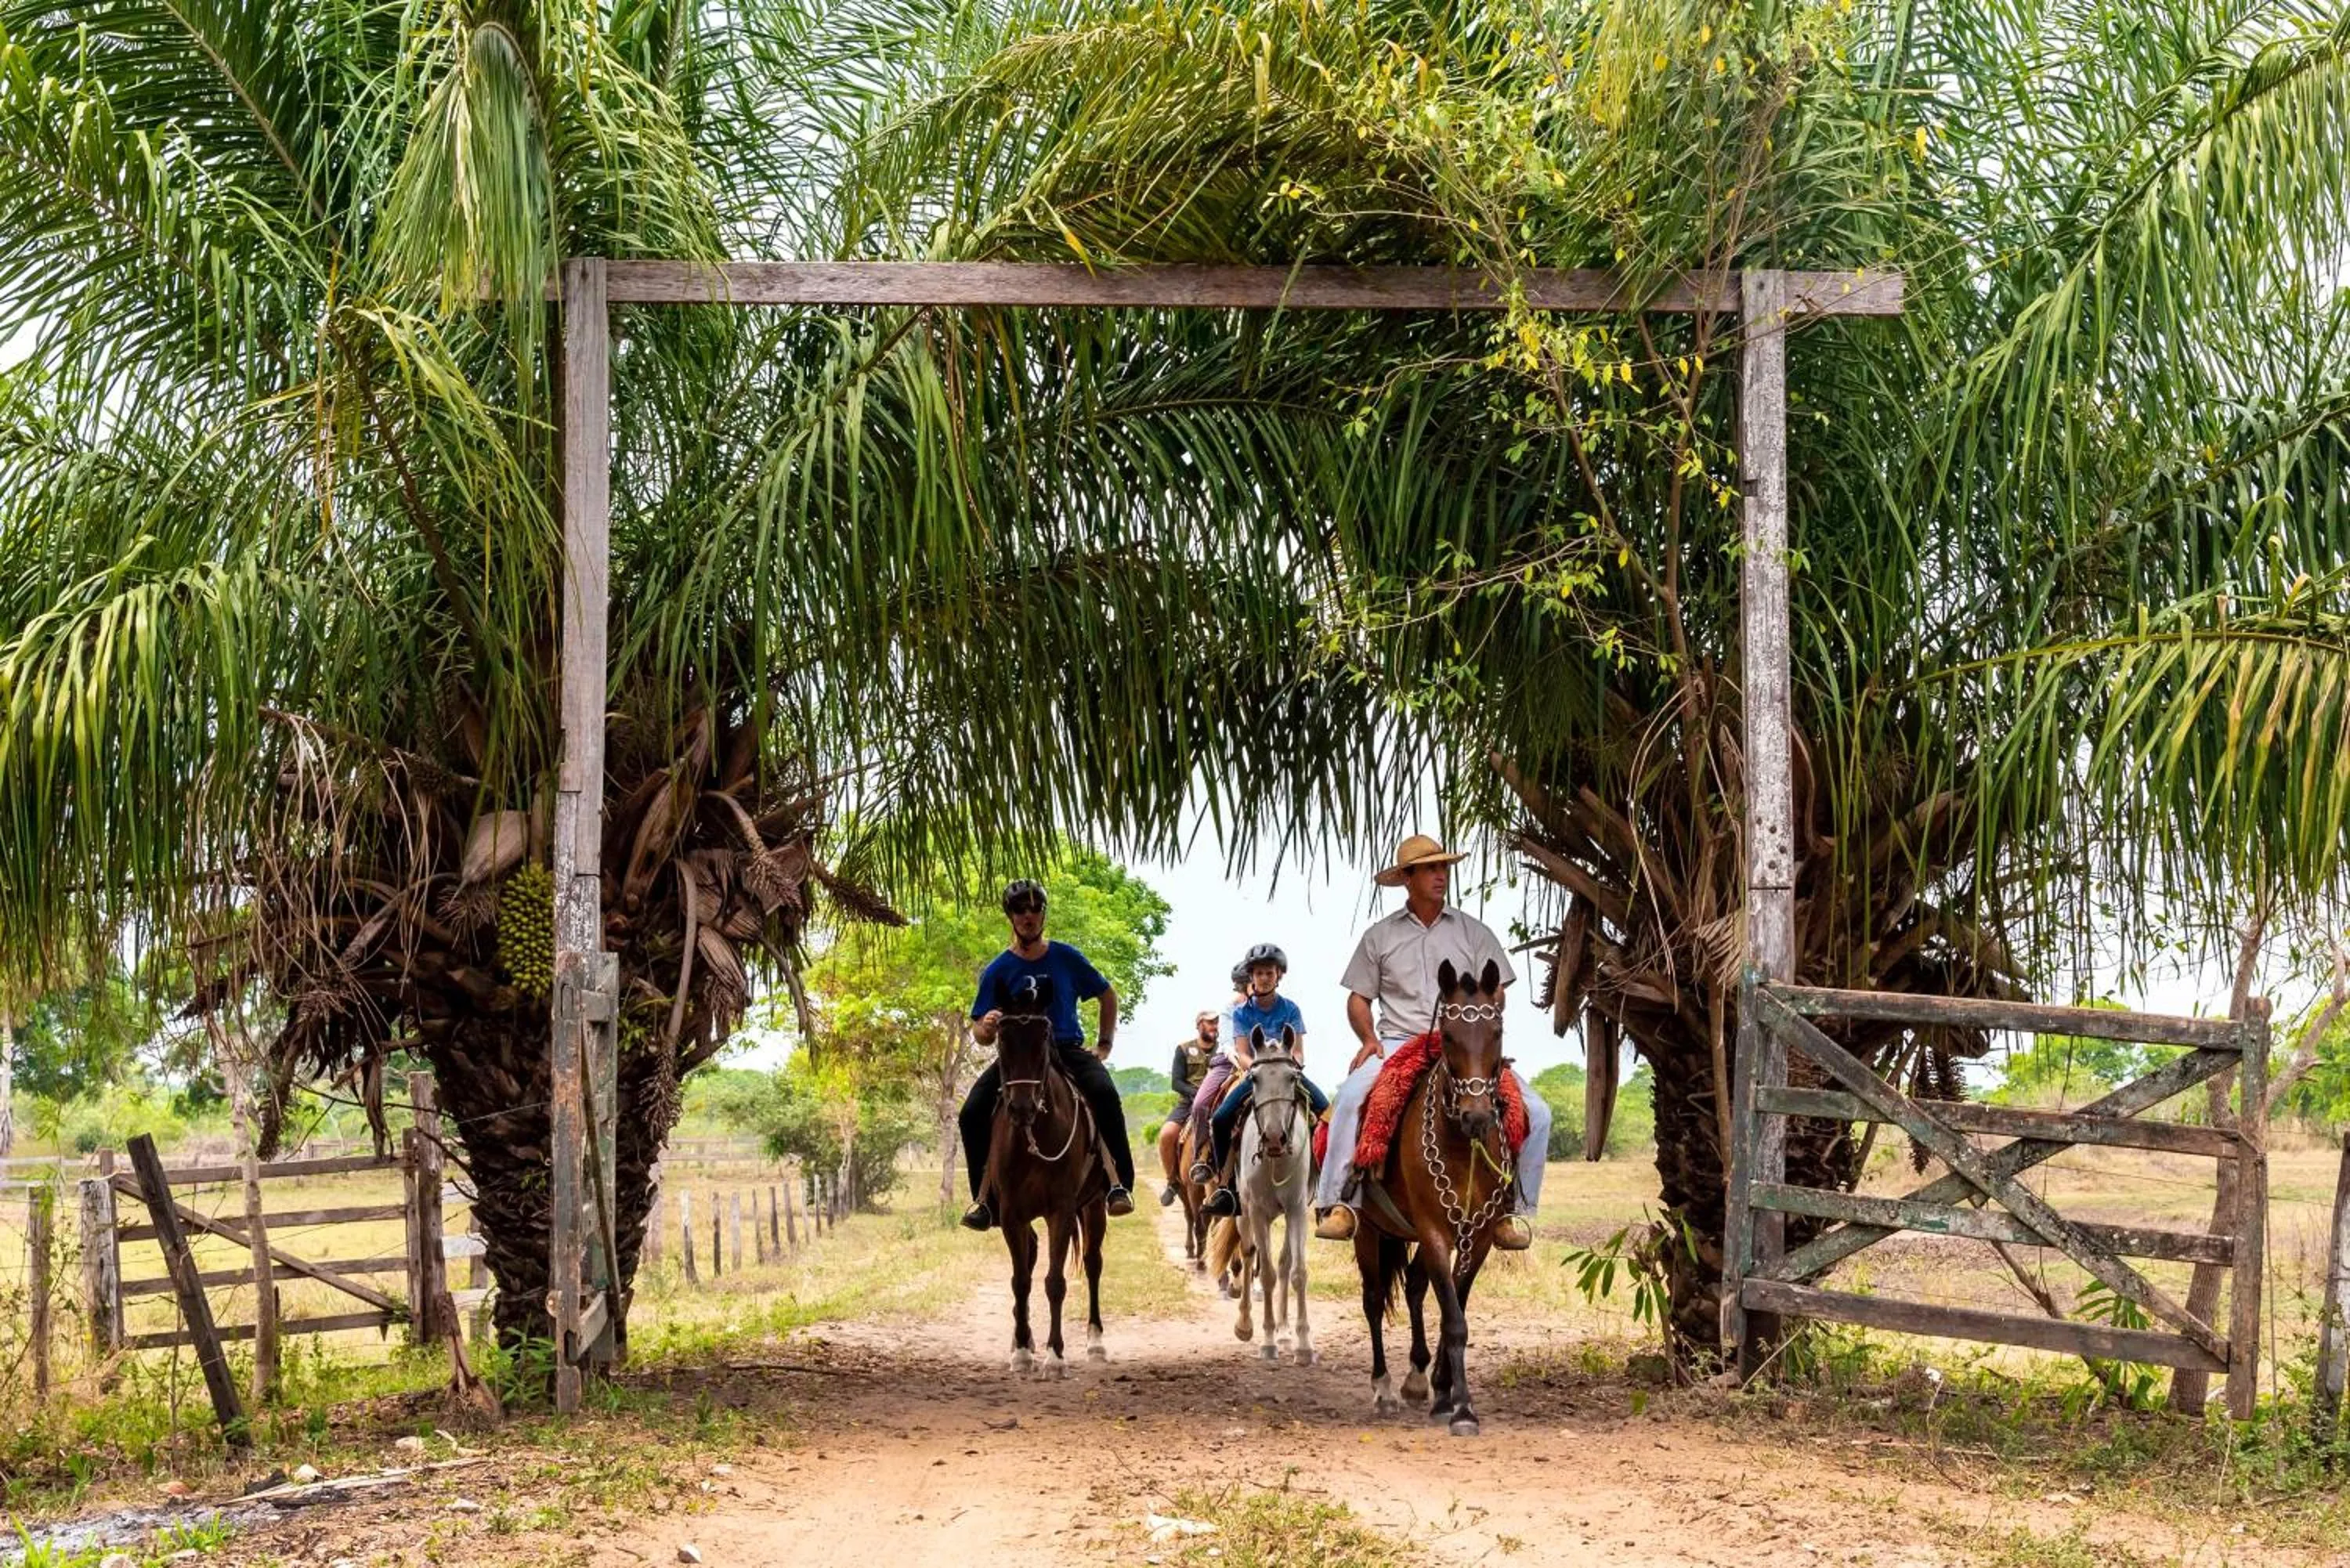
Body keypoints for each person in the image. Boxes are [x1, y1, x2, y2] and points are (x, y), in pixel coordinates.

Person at [1312, 835, 1549, 1250]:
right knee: (1350, 1098)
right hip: (1398, 1039)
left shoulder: (1474, 933)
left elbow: (1499, 992)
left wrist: (1480, 1021)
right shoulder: (1379, 936)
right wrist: (1368, 1038)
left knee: (1538, 1112)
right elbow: (1358, 998)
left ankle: (1513, 1209)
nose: (1441, 875)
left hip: (1462, 1046)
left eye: (1444, 868)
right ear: (1408, 877)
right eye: (1430, 869)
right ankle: (1340, 1203)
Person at [956, 878, 1136, 1230]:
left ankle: (1119, 1185)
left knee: (1104, 1093)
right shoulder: (997, 970)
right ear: (1010, 916)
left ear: (1043, 914)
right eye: (1021, 909)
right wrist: (987, 1028)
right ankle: (984, 1200)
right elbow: (979, 1032)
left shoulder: (1066, 957)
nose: (1029, 915)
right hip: (1019, 1058)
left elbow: (1107, 995)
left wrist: (1104, 1045)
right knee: (971, 1112)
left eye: (1036, 907)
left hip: (1066, 1049)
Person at [1199, 944, 1329, 1218]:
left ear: (1279, 974)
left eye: (1269, 972)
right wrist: (1260, 1069)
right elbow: (1243, 1053)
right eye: (1259, 973)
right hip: (1256, 1074)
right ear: (1252, 977)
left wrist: (1288, 1065)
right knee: (1221, 1119)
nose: (1264, 978)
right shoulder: (1241, 1013)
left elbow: (1298, 1051)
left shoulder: (1291, 1009)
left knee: (1328, 1113)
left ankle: (1329, 1192)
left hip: (1287, 1072)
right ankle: (1226, 1188)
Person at [1183, 959, 1254, 1173]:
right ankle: (1203, 1157)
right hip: (1229, 1063)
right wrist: (1240, 1063)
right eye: (1250, 984)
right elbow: (1227, 1045)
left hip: (1264, 1063)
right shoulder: (1230, 1009)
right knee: (1200, 1105)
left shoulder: (1270, 1006)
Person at [1159, 1010, 1223, 1205]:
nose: (1214, 1026)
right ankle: (1172, 1181)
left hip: (1219, 1103)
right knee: (1167, 1134)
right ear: (1199, 1025)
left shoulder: (1224, 1049)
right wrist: (1197, 1094)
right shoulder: (1184, 1049)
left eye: (1216, 1022)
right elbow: (1176, 1082)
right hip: (1188, 1103)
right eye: (1210, 1022)